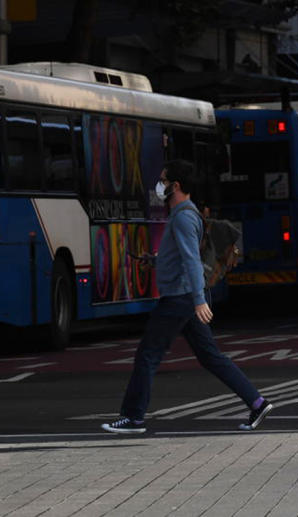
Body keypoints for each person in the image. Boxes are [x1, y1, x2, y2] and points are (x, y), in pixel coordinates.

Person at [102, 160, 273, 434]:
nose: (160, 186)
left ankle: (133, 418)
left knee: (147, 354)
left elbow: (192, 260)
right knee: (210, 356)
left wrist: (197, 299)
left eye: (163, 181)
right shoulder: (186, 214)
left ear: (176, 186)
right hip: (186, 296)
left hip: (179, 299)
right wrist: (156, 261)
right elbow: (182, 256)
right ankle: (257, 402)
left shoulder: (182, 217)